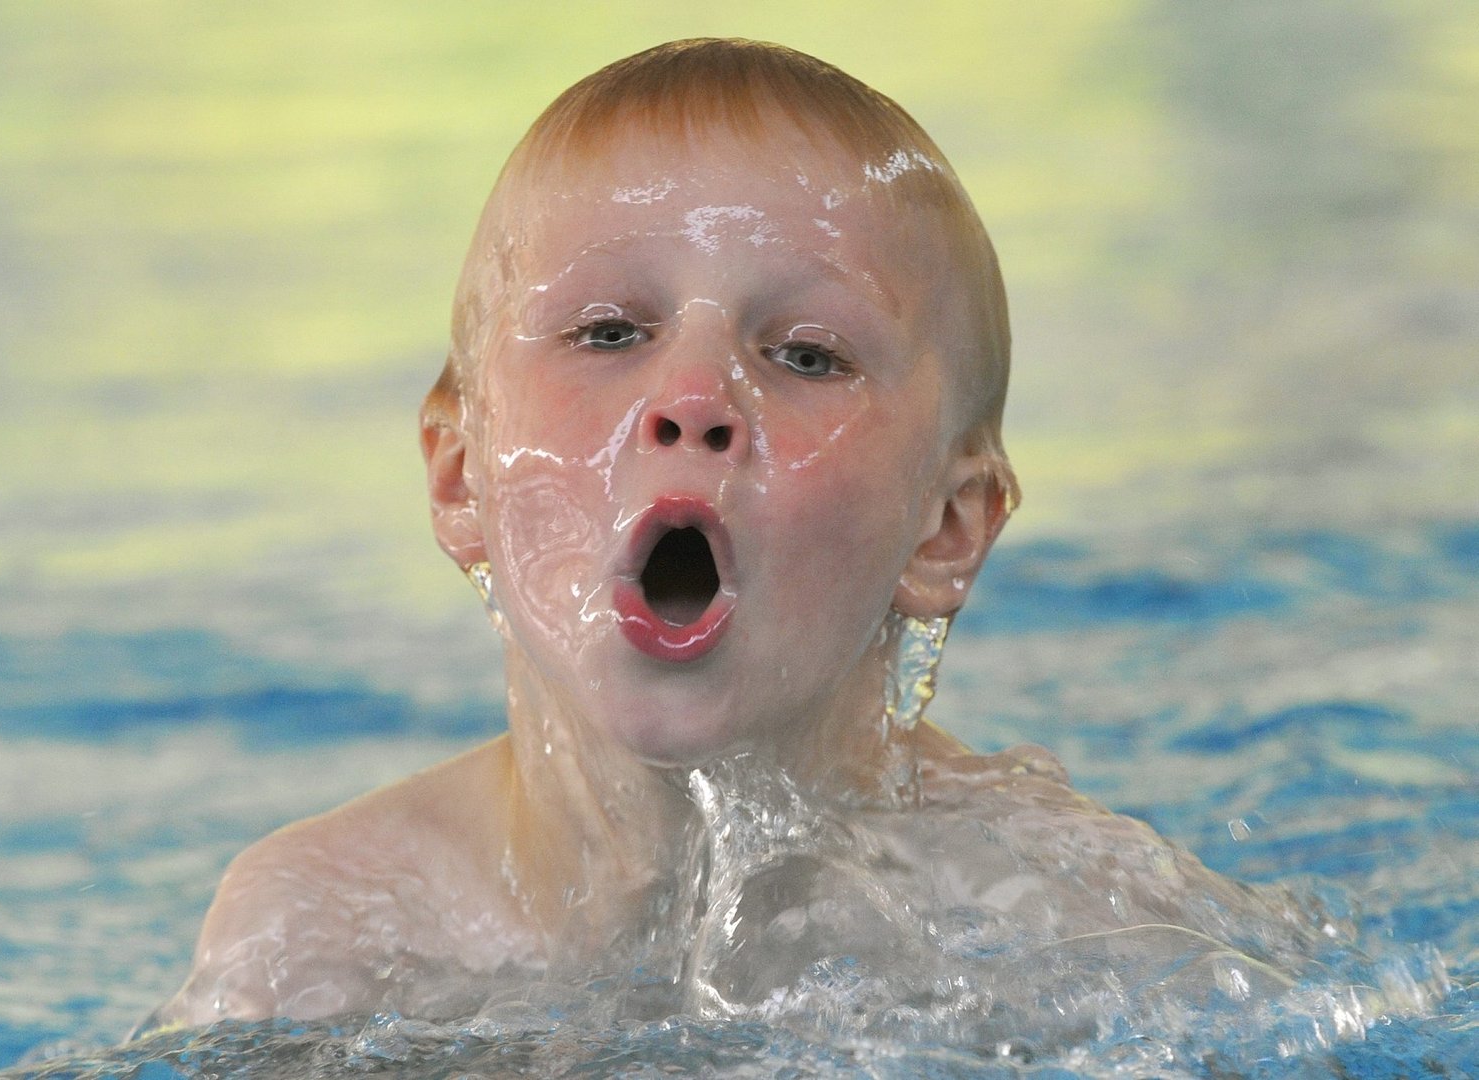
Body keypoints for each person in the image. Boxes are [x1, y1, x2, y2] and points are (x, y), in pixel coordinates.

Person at [145, 38, 1330, 1035]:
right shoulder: (331, 931)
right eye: (608, 332)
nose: (694, 397)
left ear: (945, 527)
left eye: (805, 355)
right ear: (462, 477)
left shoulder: (1071, 924)